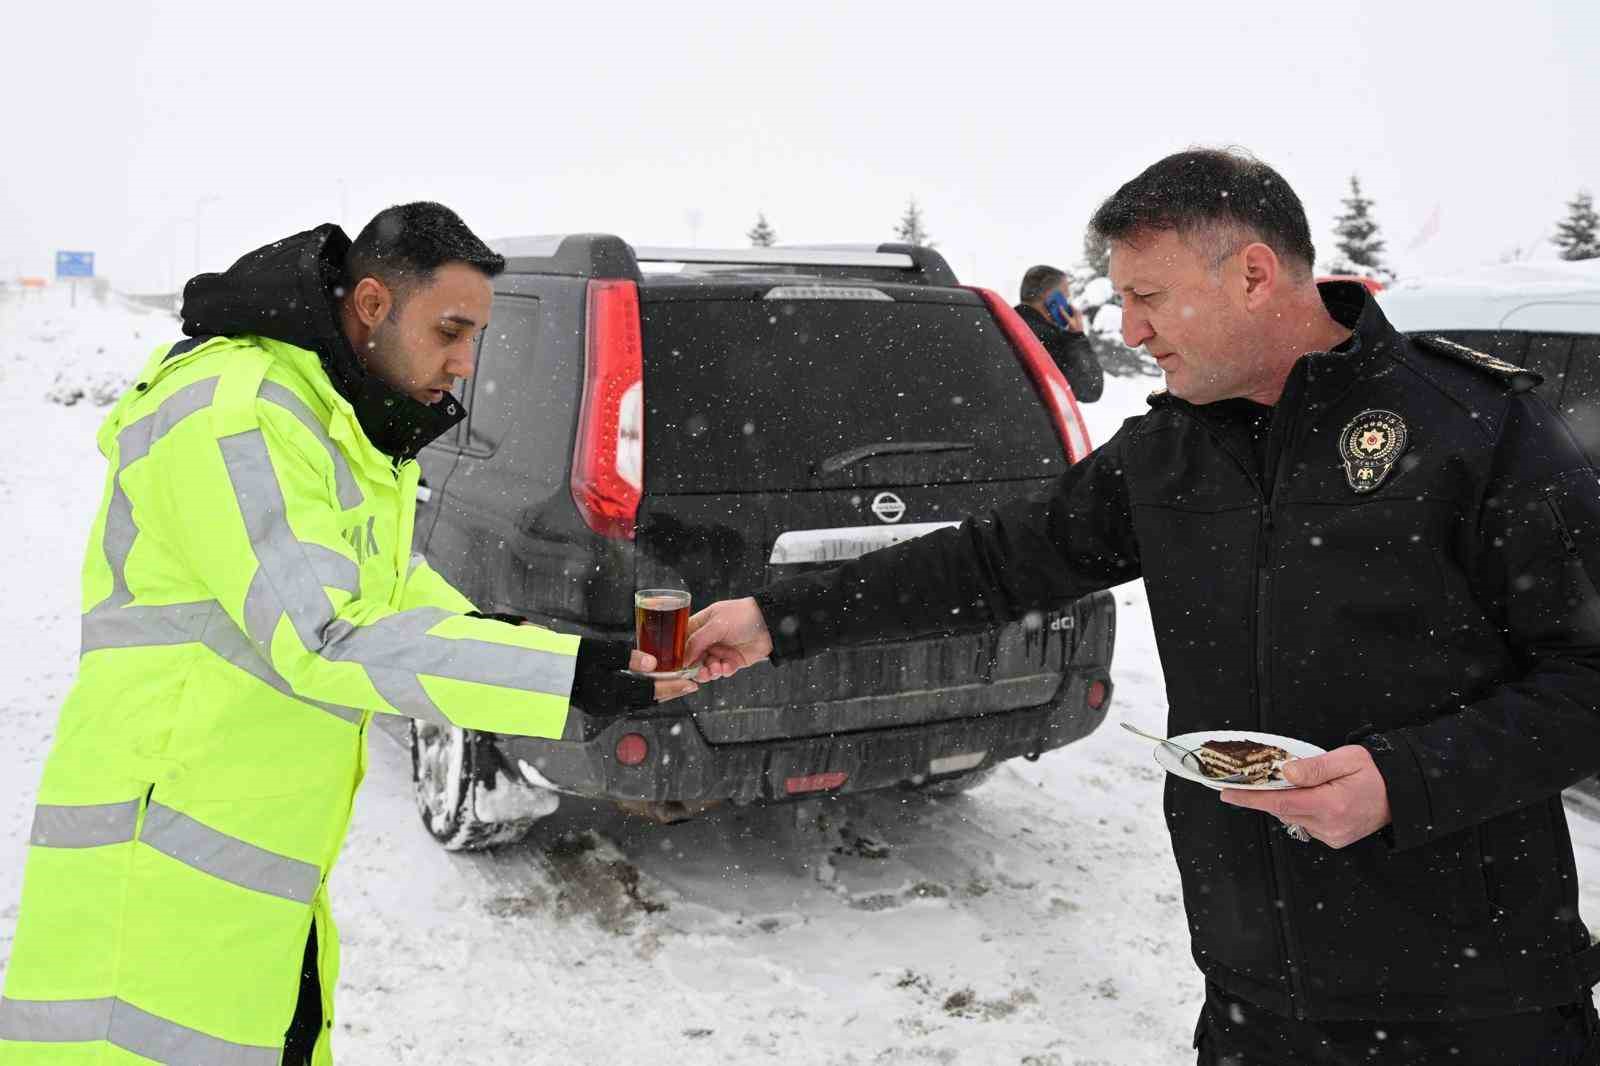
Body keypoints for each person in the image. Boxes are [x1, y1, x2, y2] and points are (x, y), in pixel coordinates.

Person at [686, 150, 1600, 1064]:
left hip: (1479, 999)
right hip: (1256, 994)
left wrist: (1407, 780)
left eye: (1147, 298)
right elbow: (992, 561)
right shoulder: (1169, 453)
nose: (1129, 329)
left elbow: (1589, 677)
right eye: (1120, 301)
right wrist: (778, 618)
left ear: (1252, 274)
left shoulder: (1474, 427)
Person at [0, 203, 695, 1065]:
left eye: (478, 336)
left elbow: (389, 586)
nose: (467, 363)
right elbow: (329, 633)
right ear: (371, 304)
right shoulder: (237, 412)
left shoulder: (333, 419)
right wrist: (564, 674)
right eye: (450, 330)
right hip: (160, 857)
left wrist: (531, 643)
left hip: (252, 855)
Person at [1015, 264, 1104, 402]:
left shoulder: (1004, 323)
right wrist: (1077, 336)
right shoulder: (1049, 338)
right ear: (1052, 297)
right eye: (1065, 297)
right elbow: (1091, 389)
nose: (1068, 305)